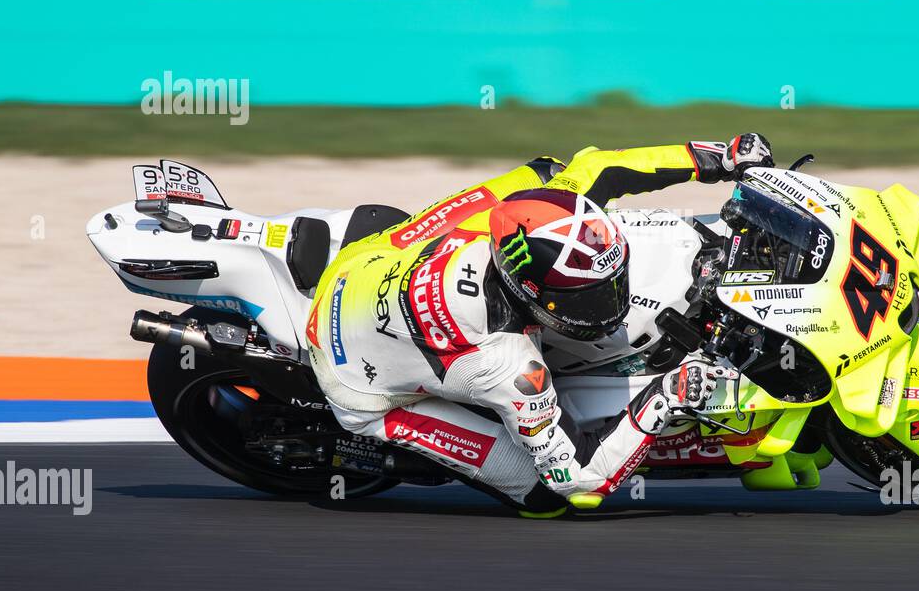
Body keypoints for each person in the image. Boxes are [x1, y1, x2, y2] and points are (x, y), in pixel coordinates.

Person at [307, 134, 774, 516]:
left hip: (368, 259)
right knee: (544, 497)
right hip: (356, 378)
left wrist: (716, 157)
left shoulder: (500, 223)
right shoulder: (507, 365)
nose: (607, 305)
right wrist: (668, 395)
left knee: (546, 173)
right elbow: (580, 481)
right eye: (587, 298)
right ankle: (399, 425)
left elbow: (599, 168)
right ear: (531, 293)